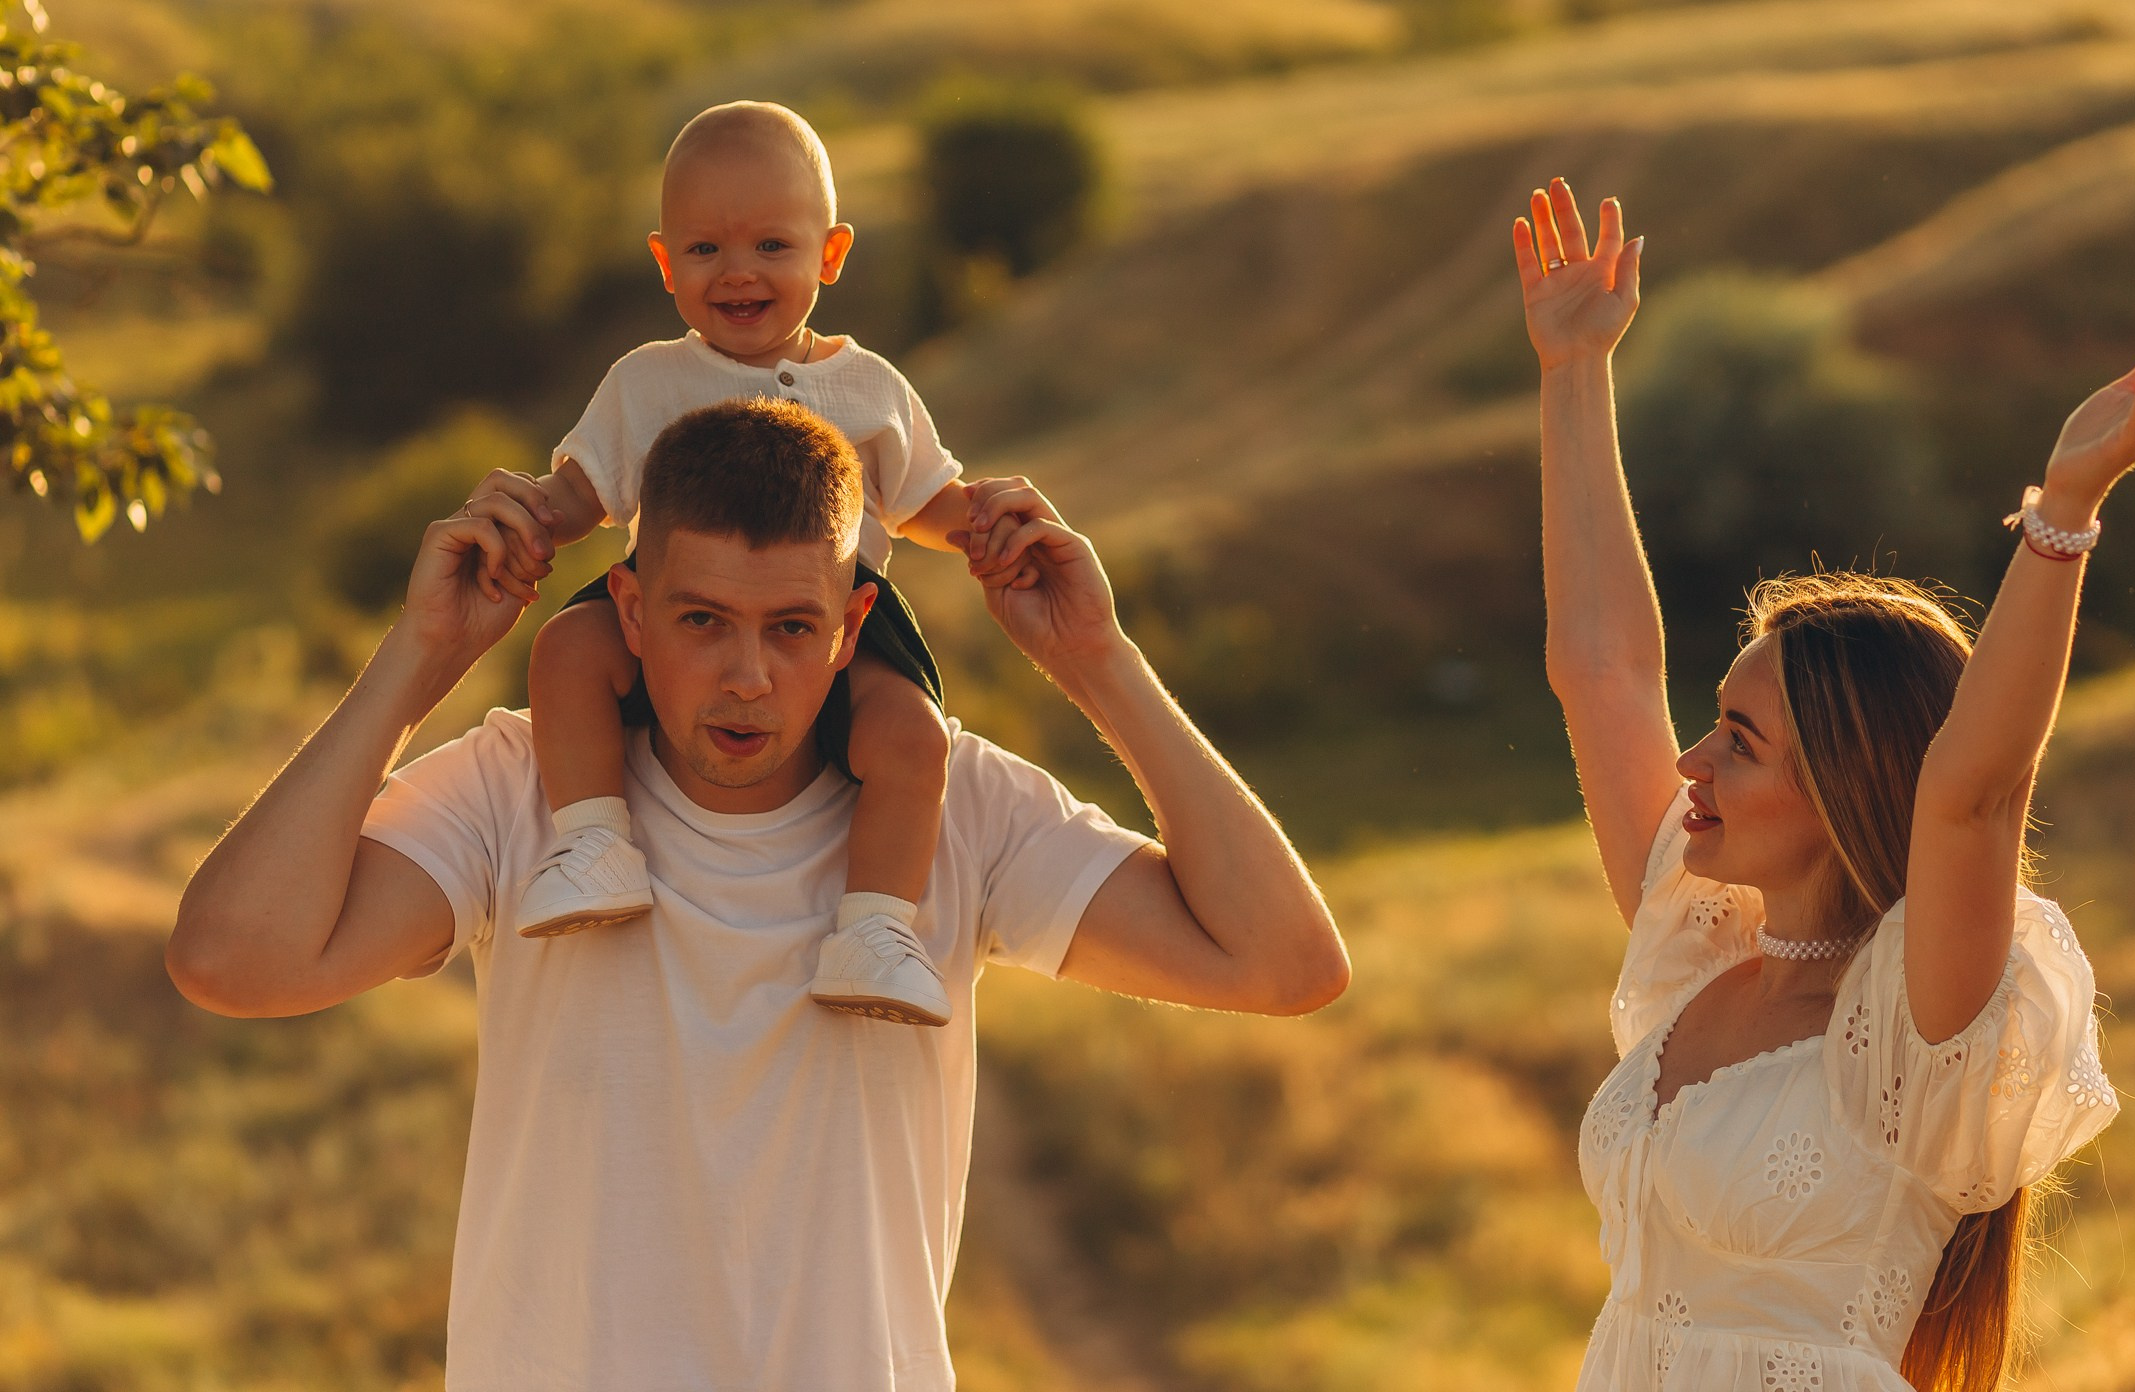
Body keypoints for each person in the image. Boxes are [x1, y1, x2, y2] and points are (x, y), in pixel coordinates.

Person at [165, 396, 1349, 1391]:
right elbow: (233, 958)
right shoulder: (519, 787)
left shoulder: (958, 805)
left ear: (853, 628)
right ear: (631, 613)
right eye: (701, 621)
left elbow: (1283, 965)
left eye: (792, 626)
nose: (746, 675)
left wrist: (1100, 663)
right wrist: (418, 657)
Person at [1518, 178, 2135, 1391]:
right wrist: (1572, 369)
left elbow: (1972, 789)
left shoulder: (1916, 1023)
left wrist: (2064, 512)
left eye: (1738, 742)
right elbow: (1598, 665)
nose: (1691, 765)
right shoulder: (1697, 950)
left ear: (1849, 787)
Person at [473, 99, 982, 1027]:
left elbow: (925, 504)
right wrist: (525, 517)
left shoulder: (867, 388)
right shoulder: (650, 380)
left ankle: (874, 928)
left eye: (772, 249)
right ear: (665, 262)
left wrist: (988, 526)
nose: (738, 273)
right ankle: (593, 844)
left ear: (830, 255)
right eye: (704, 251)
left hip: (837, 621)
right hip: (673, 616)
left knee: (912, 738)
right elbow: (584, 496)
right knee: (566, 654)